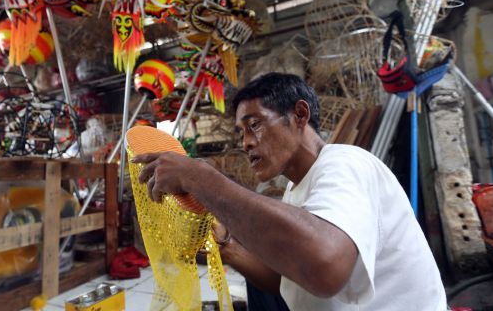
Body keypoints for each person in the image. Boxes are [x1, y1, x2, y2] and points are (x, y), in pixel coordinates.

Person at [133, 72, 447, 310]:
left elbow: (324, 267)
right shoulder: (296, 191)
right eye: (241, 133)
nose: (246, 143)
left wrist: (202, 179)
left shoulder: (345, 163)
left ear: (299, 114)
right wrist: (226, 246)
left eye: (254, 124)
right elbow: (288, 280)